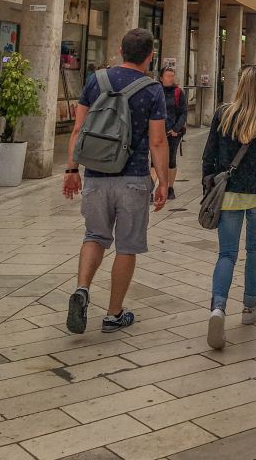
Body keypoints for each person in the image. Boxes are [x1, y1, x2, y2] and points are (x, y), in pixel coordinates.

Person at [62, 28, 168, 335]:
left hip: (96, 176)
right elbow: (157, 141)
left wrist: (72, 170)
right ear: (150, 56)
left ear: (121, 51)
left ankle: (82, 289)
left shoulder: (96, 80)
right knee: (126, 246)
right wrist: (163, 182)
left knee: (94, 236)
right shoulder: (152, 90)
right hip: (133, 178)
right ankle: (113, 314)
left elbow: (78, 129)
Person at [202, 66, 256, 350]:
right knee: (254, 249)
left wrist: (207, 188)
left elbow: (208, 156)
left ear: (240, 86)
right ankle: (249, 308)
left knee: (226, 253)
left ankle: (218, 308)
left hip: (228, 194)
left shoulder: (223, 115)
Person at [150, 65, 187, 201]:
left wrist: (176, 129)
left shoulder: (178, 92)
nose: (171, 78)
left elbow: (183, 112)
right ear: (161, 78)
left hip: (173, 133)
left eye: (172, 76)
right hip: (158, 132)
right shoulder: (155, 91)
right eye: (168, 76)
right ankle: (151, 189)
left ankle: (170, 188)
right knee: (154, 161)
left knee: (171, 160)